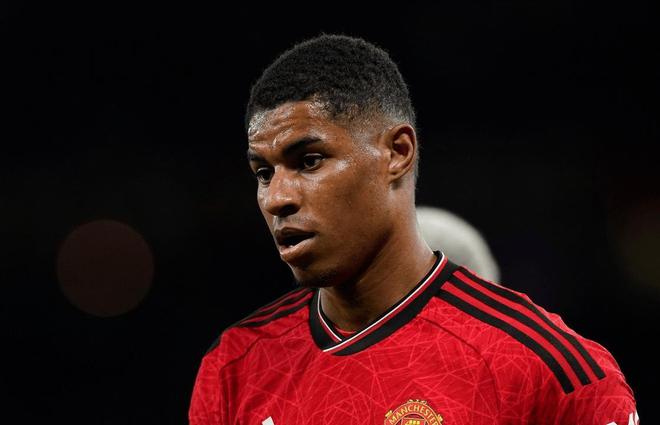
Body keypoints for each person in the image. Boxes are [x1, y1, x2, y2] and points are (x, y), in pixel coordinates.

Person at [189, 34, 638, 425]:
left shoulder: (550, 374)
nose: (276, 198)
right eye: (263, 172)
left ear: (397, 153)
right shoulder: (233, 366)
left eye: (309, 161)